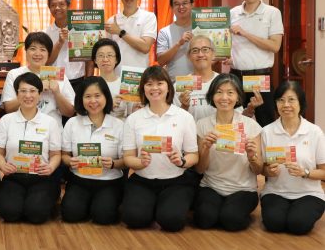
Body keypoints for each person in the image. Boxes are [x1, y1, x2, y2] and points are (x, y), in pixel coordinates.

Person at [121, 66, 198, 232]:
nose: (154, 88)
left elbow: (193, 155)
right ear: (143, 89)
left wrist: (182, 161)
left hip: (176, 181)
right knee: (134, 219)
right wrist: (140, 162)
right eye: (149, 84)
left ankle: (163, 207)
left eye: (160, 83)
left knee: (172, 221)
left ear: (168, 87)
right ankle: (150, 207)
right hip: (143, 180)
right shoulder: (133, 119)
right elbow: (128, 157)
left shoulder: (184, 117)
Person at [193, 74, 263, 231]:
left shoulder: (250, 126)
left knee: (231, 220)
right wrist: (205, 149)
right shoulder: (202, 125)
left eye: (230, 92)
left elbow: (258, 170)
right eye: (219, 92)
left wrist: (252, 156)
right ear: (212, 96)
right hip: (211, 186)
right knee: (204, 219)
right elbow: (200, 169)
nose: (224, 97)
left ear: (238, 97)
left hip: (244, 189)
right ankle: (221, 209)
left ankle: (230, 210)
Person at [0, 72, 62, 224]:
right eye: (23, 91)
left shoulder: (50, 122)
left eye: (32, 91)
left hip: (41, 177)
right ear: (17, 94)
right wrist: (2, 165)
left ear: (39, 94)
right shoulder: (6, 120)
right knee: (9, 213)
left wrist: (51, 167)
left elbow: (56, 154)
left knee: (36, 214)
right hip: (14, 176)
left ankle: (40, 201)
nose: (28, 95)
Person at [260, 81, 324, 235]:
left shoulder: (314, 132)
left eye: (291, 100)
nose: (286, 105)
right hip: (275, 191)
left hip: (309, 193)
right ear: (276, 104)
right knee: (274, 224)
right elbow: (262, 169)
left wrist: (305, 173)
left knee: (298, 224)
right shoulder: (267, 131)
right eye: (281, 100)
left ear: (301, 103)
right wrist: (268, 171)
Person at [61, 76, 125, 224]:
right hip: (79, 179)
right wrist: (70, 161)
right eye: (88, 96)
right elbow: (64, 155)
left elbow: (125, 161)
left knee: (104, 216)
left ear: (106, 97)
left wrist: (113, 164)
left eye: (97, 96)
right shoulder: (72, 123)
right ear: (81, 99)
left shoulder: (119, 125)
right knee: (71, 214)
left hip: (109, 180)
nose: (93, 101)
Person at [228, 0, 283, 126]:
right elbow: (227, 42)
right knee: (236, 121)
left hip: (260, 77)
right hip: (236, 76)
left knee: (265, 122)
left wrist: (245, 34)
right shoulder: (232, 13)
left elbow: (275, 46)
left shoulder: (272, 13)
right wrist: (228, 56)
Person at [174, 35, 261, 121]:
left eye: (205, 49)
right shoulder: (180, 85)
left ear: (213, 54)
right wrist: (184, 106)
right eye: (195, 50)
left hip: (221, 130)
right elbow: (174, 122)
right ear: (189, 56)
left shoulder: (226, 82)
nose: (200, 54)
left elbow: (238, 119)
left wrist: (250, 108)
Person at [1, 32, 75, 127]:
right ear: (26, 51)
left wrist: (57, 93)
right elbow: (8, 109)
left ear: (49, 53)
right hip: (21, 128)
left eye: (43, 50)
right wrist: (37, 89)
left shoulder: (57, 74)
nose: (37, 54)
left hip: (50, 129)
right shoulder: (14, 74)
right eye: (33, 49)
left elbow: (70, 112)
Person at [104, 0, 157, 73]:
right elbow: (106, 50)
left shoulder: (149, 17)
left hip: (139, 76)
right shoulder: (111, 21)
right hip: (116, 75)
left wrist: (120, 32)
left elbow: (145, 47)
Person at [45, 0, 90, 93]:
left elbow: (89, 59)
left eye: (61, 4)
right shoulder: (46, 32)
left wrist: (88, 82)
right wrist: (59, 43)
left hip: (77, 80)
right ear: (49, 8)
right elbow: (46, 62)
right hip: (53, 79)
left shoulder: (82, 28)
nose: (57, 8)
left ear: (68, 6)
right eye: (53, 5)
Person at [92, 38, 138, 120]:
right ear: (95, 60)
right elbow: (84, 113)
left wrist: (136, 107)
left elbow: (131, 113)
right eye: (101, 55)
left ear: (116, 59)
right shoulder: (90, 85)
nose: (105, 59)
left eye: (109, 55)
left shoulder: (125, 83)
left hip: (122, 126)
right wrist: (108, 105)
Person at [156, 0, 194, 81]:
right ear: (172, 7)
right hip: (174, 81)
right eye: (176, 4)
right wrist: (179, 44)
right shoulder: (164, 32)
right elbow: (161, 61)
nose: (181, 7)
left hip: (198, 81)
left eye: (185, 3)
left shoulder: (201, 29)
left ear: (192, 5)